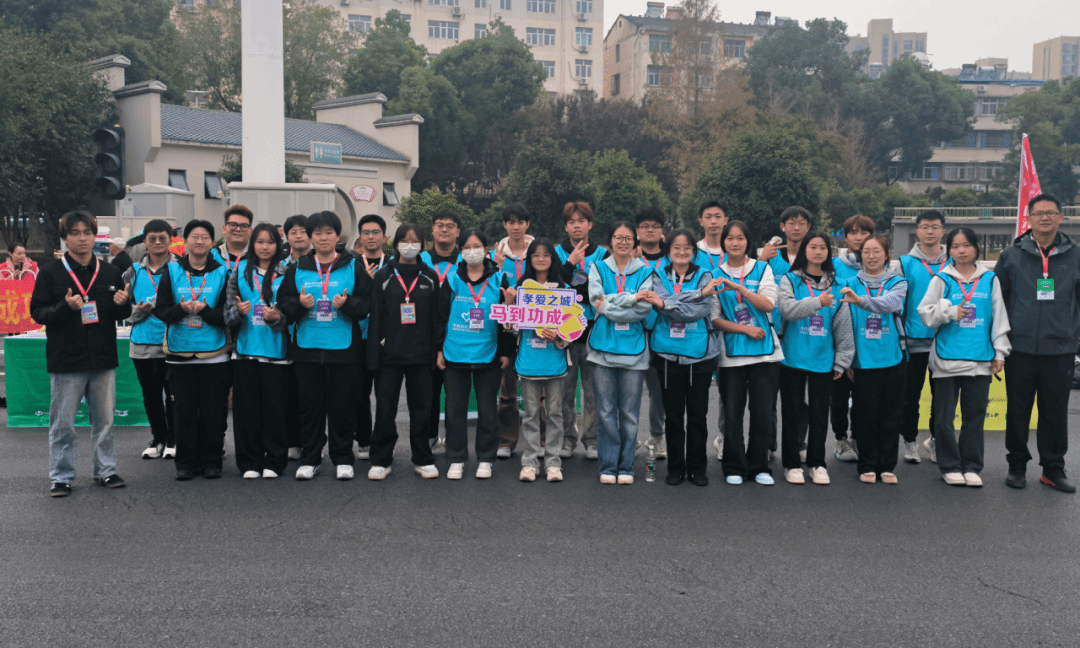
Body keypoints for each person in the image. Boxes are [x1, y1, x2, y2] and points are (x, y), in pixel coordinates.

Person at [30, 211, 132, 497]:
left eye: (87, 232)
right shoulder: (50, 273)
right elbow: (38, 313)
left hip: (103, 357)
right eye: (75, 233)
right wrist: (65, 307)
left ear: (94, 236)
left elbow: (120, 313)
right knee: (63, 423)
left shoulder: (110, 272)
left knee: (105, 421)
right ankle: (61, 477)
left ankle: (105, 471)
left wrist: (124, 304)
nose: (82, 239)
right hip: (67, 359)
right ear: (65, 238)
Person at [277, 211, 370, 481]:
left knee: (343, 407)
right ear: (311, 237)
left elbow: (367, 303)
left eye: (329, 232)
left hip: (344, 350)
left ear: (337, 235)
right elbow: (283, 303)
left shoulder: (353, 266)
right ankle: (311, 458)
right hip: (307, 349)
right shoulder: (298, 267)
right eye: (317, 233)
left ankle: (343, 458)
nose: (323, 237)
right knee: (310, 408)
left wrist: (348, 304)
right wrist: (299, 305)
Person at [997, 194, 1079, 493]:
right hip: (1019, 349)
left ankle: (1053, 469)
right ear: (1028, 218)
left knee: (1054, 412)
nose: (1045, 218)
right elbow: (999, 301)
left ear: (1061, 217)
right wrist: (1000, 342)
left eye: (1051, 213)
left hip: (1060, 348)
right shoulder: (1011, 255)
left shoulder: (1076, 255)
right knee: (1018, 411)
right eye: (1038, 213)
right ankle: (1017, 465)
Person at [917, 227, 1010, 488]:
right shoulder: (942, 279)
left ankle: (971, 466)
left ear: (976, 247)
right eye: (955, 246)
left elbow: (999, 317)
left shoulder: (990, 279)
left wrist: (1000, 352)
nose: (961, 251)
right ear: (949, 250)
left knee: (974, 418)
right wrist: (948, 312)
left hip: (980, 359)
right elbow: (924, 313)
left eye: (966, 245)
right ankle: (949, 466)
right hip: (947, 360)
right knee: (944, 419)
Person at [152, 219, 231, 480]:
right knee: (183, 412)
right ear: (185, 241)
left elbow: (228, 315)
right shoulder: (172, 271)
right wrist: (181, 310)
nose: (199, 241)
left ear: (212, 243)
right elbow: (161, 310)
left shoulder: (223, 272)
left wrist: (205, 311)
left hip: (214, 354)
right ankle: (185, 463)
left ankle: (211, 461)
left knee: (213, 411)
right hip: (179, 352)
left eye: (205, 237)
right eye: (194, 236)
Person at [777, 231, 854, 486]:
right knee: (792, 413)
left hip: (823, 359)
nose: (818, 251)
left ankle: (817, 464)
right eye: (813, 247)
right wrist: (818, 302)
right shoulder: (790, 279)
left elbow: (843, 326)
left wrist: (842, 361)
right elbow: (787, 309)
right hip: (793, 357)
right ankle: (791, 464)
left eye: (823, 247)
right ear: (804, 251)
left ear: (828, 252)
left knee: (820, 414)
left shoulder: (838, 283)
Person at [436, 228, 515, 480]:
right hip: (454, 353)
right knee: (454, 410)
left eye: (477, 246)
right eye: (467, 247)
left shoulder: (499, 279)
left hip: (488, 355)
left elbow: (507, 319)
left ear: (485, 249)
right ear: (461, 251)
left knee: (488, 410)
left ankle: (486, 458)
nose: (472, 251)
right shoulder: (452, 279)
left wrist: (505, 351)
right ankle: (456, 458)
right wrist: (439, 349)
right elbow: (440, 317)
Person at [646, 228, 721, 486]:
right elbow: (659, 303)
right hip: (667, 355)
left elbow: (699, 311)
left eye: (687, 247)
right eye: (676, 247)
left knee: (698, 416)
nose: (681, 252)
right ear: (668, 251)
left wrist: (669, 304)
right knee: (674, 416)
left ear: (694, 251)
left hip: (700, 355)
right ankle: (675, 468)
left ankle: (698, 468)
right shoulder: (658, 274)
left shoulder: (705, 275)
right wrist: (697, 294)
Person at [366, 224, 441, 480]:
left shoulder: (430, 276)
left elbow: (436, 317)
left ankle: (423, 458)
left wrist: (436, 351)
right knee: (385, 409)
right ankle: (381, 459)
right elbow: (376, 317)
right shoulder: (384, 275)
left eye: (415, 241)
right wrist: (373, 355)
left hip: (421, 354)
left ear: (422, 244)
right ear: (396, 244)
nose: (410, 245)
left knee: (421, 409)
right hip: (389, 355)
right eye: (405, 241)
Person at [710, 221, 782, 486]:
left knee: (762, 412)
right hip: (731, 356)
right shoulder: (714, 274)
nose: (735, 243)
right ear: (723, 243)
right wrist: (745, 329)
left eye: (740, 238)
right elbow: (714, 318)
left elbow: (768, 304)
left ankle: (759, 466)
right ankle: (734, 466)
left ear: (748, 242)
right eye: (730, 238)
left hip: (765, 356)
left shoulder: (762, 269)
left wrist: (740, 288)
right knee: (732, 412)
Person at [587, 222, 653, 484]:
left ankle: (626, 466)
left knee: (629, 413)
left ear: (634, 241)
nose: (623, 242)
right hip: (602, 349)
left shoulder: (645, 271)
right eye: (618, 237)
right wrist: (632, 298)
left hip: (634, 351)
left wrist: (608, 306)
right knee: (605, 411)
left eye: (628, 238)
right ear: (610, 240)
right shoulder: (597, 267)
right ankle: (608, 464)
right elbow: (595, 298)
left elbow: (643, 310)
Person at [224, 223, 291, 479]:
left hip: (277, 354)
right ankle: (249, 462)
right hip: (245, 353)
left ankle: (274, 461)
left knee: (276, 411)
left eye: (270, 242)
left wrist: (277, 317)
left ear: (278, 245)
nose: (265, 247)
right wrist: (238, 312)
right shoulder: (238, 272)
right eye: (260, 242)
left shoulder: (288, 273)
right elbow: (227, 315)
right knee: (246, 412)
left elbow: (293, 316)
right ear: (253, 244)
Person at [838, 235, 907, 484]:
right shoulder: (848, 284)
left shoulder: (897, 282)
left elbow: (890, 304)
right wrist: (847, 359)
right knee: (865, 415)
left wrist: (861, 300)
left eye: (877, 251)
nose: (871, 256)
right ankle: (867, 464)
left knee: (891, 414)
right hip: (863, 359)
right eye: (866, 251)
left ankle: (887, 465)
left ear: (886, 254)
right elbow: (844, 323)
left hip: (893, 357)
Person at [513, 238, 572, 482]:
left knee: (555, 413)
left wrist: (558, 335)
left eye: (546, 254)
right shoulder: (521, 287)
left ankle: (553, 462)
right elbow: (512, 326)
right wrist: (509, 305)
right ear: (529, 259)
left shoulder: (562, 289)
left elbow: (573, 327)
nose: (540, 259)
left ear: (552, 259)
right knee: (530, 413)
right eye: (535, 254)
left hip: (554, 359)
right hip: (529, 358)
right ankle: (529, 462)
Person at [555, 202, 609, 459]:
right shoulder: (556, 252)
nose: (576, 226)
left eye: (581, 221)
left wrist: (579, 288)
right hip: (564, 334)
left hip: (594, 332)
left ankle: (592, 439)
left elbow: (605, 291)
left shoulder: (603, 254)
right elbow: (554, 288)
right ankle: (567, 438)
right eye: (571, 222)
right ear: (566, 226)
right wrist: (570, 265)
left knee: (593, 390)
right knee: (564, 391)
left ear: (590, 224)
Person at [759, 206, 814, 459]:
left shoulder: (813, 257)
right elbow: (752, 281)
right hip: (771, 333)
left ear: (808, 228)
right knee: (768, 396)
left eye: (802, 223)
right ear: (782, 227)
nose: (796, 227)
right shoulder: (771, 256)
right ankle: (768, 444)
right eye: (791, 223)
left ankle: (799, 444)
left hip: (801, 334)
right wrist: (761, 259)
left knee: (797, 397)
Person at [123, 219, 178, 460]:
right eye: (152, 238)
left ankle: (174, 439)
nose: (157, 242)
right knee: (151, 395)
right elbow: (122, 307)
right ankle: (159, 438)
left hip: (173, 342)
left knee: (174, 394)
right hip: (143, 342)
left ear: (170, 240)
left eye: (162, 238)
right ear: (145, 242)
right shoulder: (133, 271)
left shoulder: (180, 268)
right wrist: (138, 312)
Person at [898, 209, 948, 464]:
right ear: (917, 231)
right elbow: (899, 302)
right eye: (925, 227)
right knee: (911, 396)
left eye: (935, 227)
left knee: (942, 398)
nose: (930, 231)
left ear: (942, 231)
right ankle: (910, 442)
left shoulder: (953, 262)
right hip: (914, 340)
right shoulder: (905, 263)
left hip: (946, 341)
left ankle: (936, 441)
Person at [830, 214, 874, 463]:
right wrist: (842, 351)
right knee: (838, 396)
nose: (859, 238)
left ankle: (859, 437)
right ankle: (841, 439)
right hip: (841, 341)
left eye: (864, 232)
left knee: (863, 396)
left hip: (870, 341)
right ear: (845, 237)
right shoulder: (834, 266)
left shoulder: (878, 265)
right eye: (853, 233)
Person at [491, 203, 534, 459]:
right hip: (507, 330)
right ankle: (506, 441)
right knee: (507, 390)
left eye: (520, 222)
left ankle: (540, 441)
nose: (515, 227)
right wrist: (496, 268)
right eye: (510, 222)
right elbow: (485, 289)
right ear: (505, 225)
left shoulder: (539, 252)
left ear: (527, 224)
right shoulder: (494, 254)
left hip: (534, 330)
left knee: (538, 391)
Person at [420, 211, 462, 452]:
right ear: (433, 230)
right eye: (439, 225)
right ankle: (430, 437)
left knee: (455, 393)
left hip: (459, 334)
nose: (444, 229)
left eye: (450, 226)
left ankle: (454, 441)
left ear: (458, 231)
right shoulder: (420, 259)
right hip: (426, 335)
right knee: (429, 390)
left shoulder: (467, 259)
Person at [693, 199, 731, 463]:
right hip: (698, 328)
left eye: (718, 216)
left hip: (728, 327)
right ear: (701, 221)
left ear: (726, 220)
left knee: (728, 389)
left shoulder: (735, 248)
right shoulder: (692, 251)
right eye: (709, 216)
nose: (714, 221)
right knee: (697, 392)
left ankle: (724, 437)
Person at [353, 214, 389, 461]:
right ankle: (364, 440)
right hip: (358, 337)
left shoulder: (394, 264)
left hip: (386, 339)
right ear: (360, 237)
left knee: (386, 395)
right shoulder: (352, 265)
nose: (371, 236)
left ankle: (383, 442)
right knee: (359, 393)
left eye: (375, 232)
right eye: (366, 232)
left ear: (384, 237)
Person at [635, 207, 668, 461]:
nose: (649, 230)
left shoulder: (671, 259)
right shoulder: (629, 258)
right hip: (633, 332)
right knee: (630, 389)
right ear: (637, 231)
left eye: (655, 226)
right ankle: (629, 437)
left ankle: (657, 437)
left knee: (658, 391)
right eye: (645, 226)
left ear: (662, 231)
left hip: (662, 333)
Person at [281, 215, 310, 460]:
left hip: (315, 336)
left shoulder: (323, 264)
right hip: (285, 336)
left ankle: (312, 442)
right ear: (287, 237)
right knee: (290, 392)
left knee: (311, 396)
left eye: (303, 231)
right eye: (293, 232)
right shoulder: (280, 267)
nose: (299, 235)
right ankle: (293, 441)